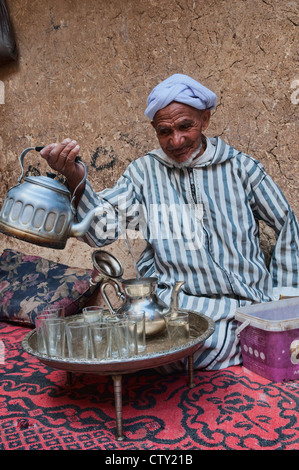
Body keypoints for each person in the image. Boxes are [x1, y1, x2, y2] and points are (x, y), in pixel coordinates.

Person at [40, 73, 299, 371]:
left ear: (205, 119)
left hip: (244, 306)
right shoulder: (144, 173)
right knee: (136, 344)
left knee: (187, 353)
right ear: (154, 129)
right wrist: (75, 177)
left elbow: (285, 225)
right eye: (164, 131)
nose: (176, 141)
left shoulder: (241, 168)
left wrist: (285, 303)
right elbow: (100, 232)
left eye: (185, 126)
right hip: (178, 308)